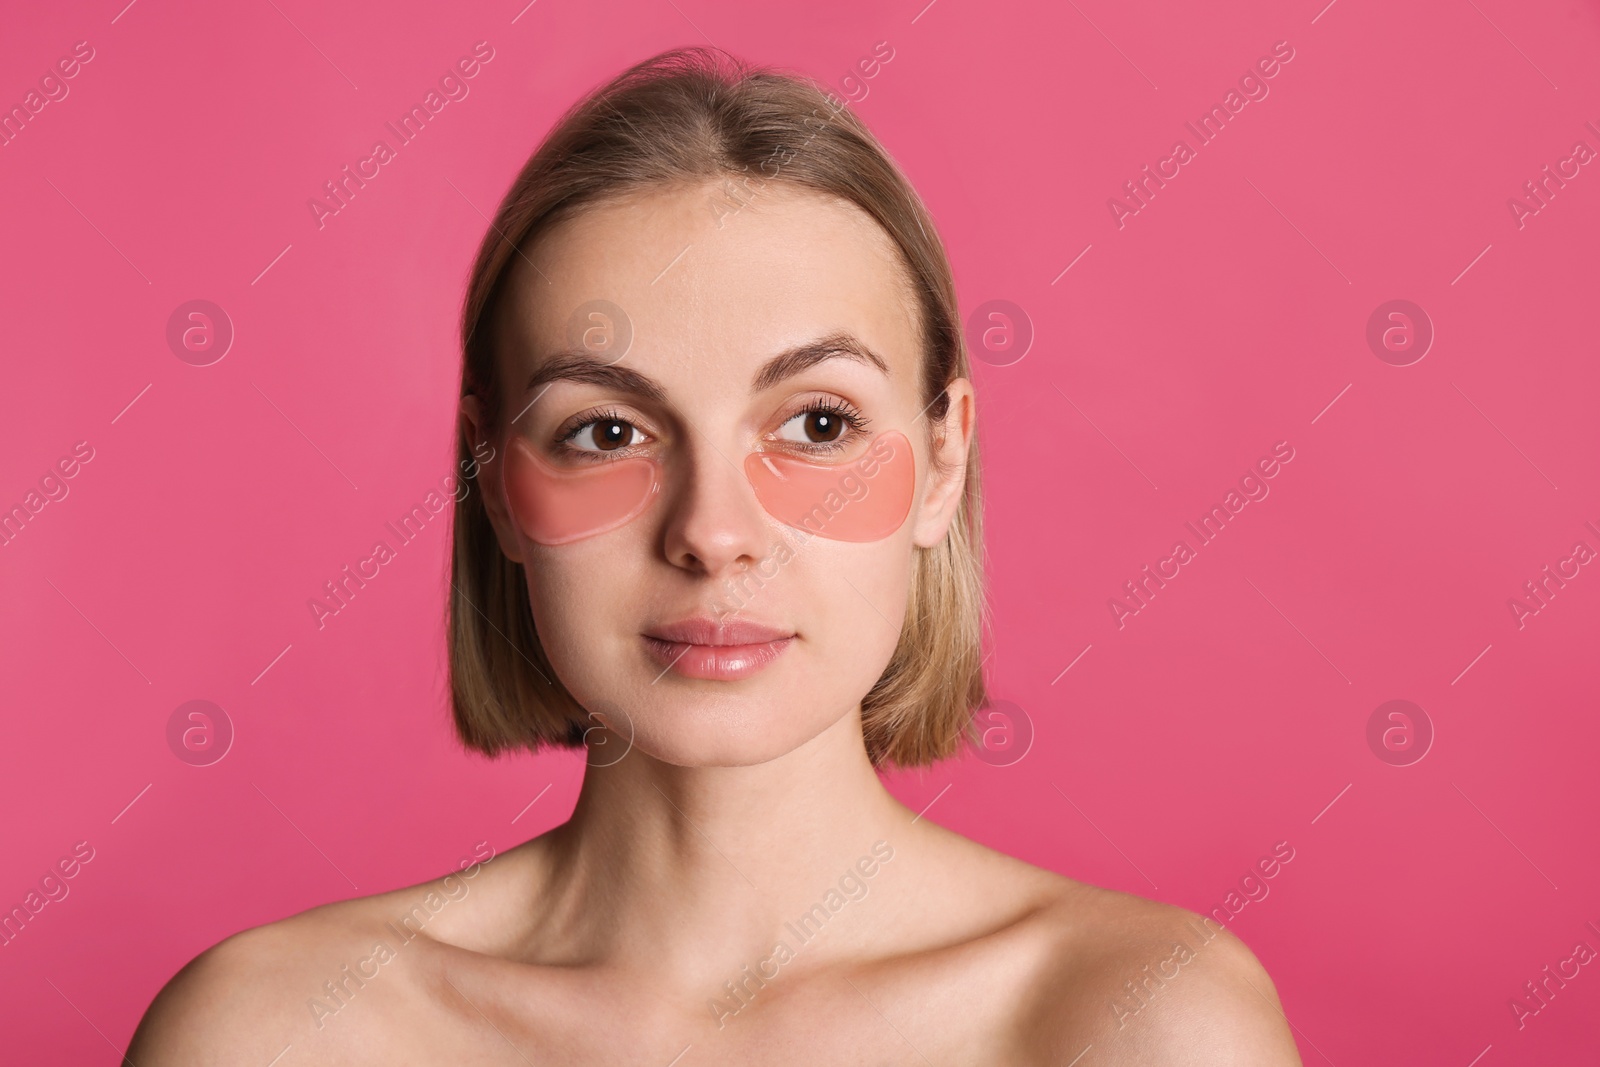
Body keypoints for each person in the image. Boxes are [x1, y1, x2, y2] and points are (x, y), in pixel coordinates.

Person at [128, 46, 1301, 1064]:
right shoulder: (271, 1033)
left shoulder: (1143, 1023)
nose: (711, 531)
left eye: (819, 424)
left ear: (942, 463)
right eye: (606, 431)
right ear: (492, 477)